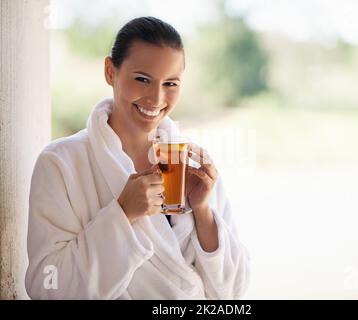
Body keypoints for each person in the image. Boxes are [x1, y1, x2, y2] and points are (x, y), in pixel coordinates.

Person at [25, 16, 250, 299]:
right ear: (110, 72)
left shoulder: (191, 165)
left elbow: (233, 292)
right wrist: (122, 214)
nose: (156, 99)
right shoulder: (61, 163)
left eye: (170, 83)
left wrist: (203, 212)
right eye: (142, 79)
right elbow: (46, 286)